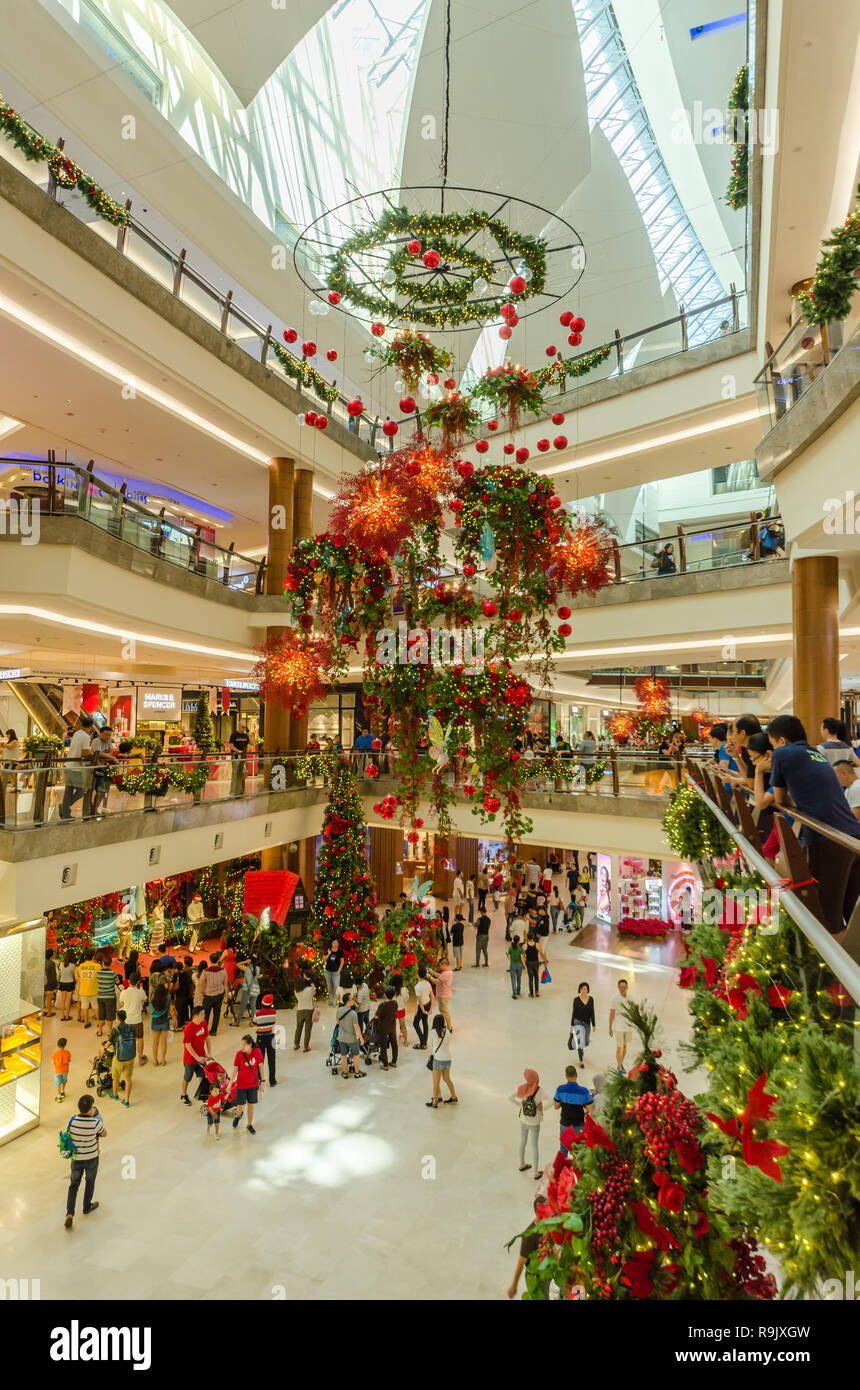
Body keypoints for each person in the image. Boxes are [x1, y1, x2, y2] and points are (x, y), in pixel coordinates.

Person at [768, 714, 860, 935]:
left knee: (826, 915)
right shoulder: (815, 753)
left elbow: (779, 800)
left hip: (829, 839)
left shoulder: (782, 753)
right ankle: (849, 965)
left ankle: (830, 968)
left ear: (780, 740)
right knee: (848, 911)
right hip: (853, 835)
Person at [64, 1094, 106, 1229]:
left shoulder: (72, 1120)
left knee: (73, 1185)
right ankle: (87, 1206)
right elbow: (104, 1133)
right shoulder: (95, 1123)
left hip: (76, 1158)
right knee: (90, 1182)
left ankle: (69, 1214)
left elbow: (68, 1134)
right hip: (91, 1158)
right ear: (89, 1109)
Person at [509, 1068, 548, 1176]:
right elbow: (551, 1100)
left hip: (523, 1120)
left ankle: (522, 1164)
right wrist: (542, 1108)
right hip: (535, 1122)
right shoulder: (540, 1090)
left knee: (522, 1141)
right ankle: (535, 1172)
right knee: (534, 1146)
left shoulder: (522, 1088)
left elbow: (510, 1097)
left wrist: (520, 1105)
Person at [59, 713, 94, 819]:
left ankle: (65, 813)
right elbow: (84, 753)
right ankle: (64, 807)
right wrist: (92, 753)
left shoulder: (77, 733)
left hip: (68, 765)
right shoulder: (86, 736)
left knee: (68, 790)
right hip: (76, 768)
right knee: (80, 791)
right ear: (90, 727)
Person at [553, 1064, 593, 1154]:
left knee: (563, 1149)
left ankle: (564, 1167)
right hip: (579, 1124)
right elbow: (590, 1108)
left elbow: (556, 1106)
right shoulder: (584, 1091)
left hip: (565, 1124)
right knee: (579, 1151)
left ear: (566, 1076)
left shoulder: (560, 1089)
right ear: (576, 1075)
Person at [507, 1198, 543, 1299]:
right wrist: (514, 1286)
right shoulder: (530, 1236)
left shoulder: (545, 1224)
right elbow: (521, 1262)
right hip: (535, 1278)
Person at [231, 1034, 265, 1132]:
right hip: (241, 1085)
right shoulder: (239, 1054)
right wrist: (230, 1083)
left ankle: (249, 1124)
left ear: (250, 1045)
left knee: (251, 1105)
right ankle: (237, 1116)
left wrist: (262, 1080)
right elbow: (235, 1069)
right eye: (241, 1045)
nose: (242, 1047)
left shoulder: (257, 1051)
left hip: (253, 1085)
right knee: (241, 1105)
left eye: (244, 1045)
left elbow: (260, 1066)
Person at [426, 1013, 457, 1108]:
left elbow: (429, 1044)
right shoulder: (447, 1032)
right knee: (447, 1079)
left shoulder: (432, 1032)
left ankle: (435, 1101)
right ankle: (453, 1097)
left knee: (436, 1082)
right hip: (448, 1059)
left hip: (438, 1060)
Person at [180, 1005, 210, 1104]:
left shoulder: (204, 1023)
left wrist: (209, 1052)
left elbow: (207, 1038)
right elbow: (187, 1045)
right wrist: (197, 1058)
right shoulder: (188, 1028)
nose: (204, 1016)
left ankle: (201, 1093)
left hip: (201, 1057)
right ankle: (184, 1094)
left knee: (202, 1076)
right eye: (202, 1014)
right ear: (195, 1016)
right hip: (190, 1060)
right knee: (187, 1078)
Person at [108, 1009, 137, 1106]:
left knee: (115, 1078)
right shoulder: (131, 1028)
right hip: (130, 1057)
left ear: (117, 1018)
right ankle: (127, 1100)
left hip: (119, 1058)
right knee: (128, 1078)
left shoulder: (115, 1030)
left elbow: (108, 1043)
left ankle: (115, 1095)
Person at [118, 972, 148, 1065]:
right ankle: (140, 1059)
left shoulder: (124, 992)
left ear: (129, 981)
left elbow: (122, 1004)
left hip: (126, 1020)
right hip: (137, 1020)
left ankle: (127, 1060)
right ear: (138, 982)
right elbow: (144, 1001)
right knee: (139, 1039)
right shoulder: (141, 992)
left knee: (127, 1040)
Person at [336, 988, 366, 1078]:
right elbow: (356, 1027)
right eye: (352, 999)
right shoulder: (353, 1013)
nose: (353, 1000)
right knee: (356, 1055)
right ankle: (357, 1073)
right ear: (348, 1002)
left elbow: (337, 1023)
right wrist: (361, 1038)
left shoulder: (339, 1010)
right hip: (351, 1039)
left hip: (341, 1038)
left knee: (343, 1055)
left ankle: (345, 1073)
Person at [608, 979, 634, 1073]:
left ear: (627, 987)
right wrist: (610, 1027)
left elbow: (633, 1011)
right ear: (618, 987)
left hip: (628, 1026)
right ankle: (619, 1067)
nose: (622, 988)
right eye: (621, 987)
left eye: (624, 987)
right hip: (619, 1025)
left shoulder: (631, 997)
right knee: (619, 1047)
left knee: (625, 1046)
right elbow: (612, 1013)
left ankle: (621, 1063)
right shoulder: (614, 998)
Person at [200, 952, 228, 1035]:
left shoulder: (205, 971)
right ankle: (213, 1031)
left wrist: (203, 992)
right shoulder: (223, 970)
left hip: (208, 995)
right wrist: (226, 996)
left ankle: (204, 1031)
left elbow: (201, 983)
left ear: (210, 960)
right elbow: (225, 984)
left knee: (206, 1014)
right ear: (218, 960)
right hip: (219, 995)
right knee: (217, 1013)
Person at [254, 993, 278, 1086]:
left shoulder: (257, 1014)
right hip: (271, 1037)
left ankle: (259, 1079)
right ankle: (272, 1080)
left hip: (260, 1038)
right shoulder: (274, 1012)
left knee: (260, 1060)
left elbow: (254, 1022)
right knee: (272, 1059)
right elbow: (273, 1021)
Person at [149, 971, 171, 1065]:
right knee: (164, 1042)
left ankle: (155, 1060)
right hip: (165, 1021)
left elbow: (150, 1010)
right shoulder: (168, 997)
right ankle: (162, 1060)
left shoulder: (152, 998)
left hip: (155, 1022)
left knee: (155, 1043)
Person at [571, 981, 596, 1064]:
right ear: (580, 990)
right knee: (580, 1042)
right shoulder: (576, 1000)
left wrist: (594, 1024)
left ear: (587, 990)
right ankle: (581, 1060)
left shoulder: (591, 999)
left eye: (585, 989)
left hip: (587, 1023)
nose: (583, 990)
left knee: (585, 1041)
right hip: (578, 1022)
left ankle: (582, 1049)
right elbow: (574, 1012)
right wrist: (572, 1024)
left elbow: (592, 1012)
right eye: (582, 989)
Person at [232, 955, 261, 1027]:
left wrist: (245, 962)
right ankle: (252, 1022)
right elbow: (255, 977)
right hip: (256, 989)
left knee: (242, 1006)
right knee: (253, 1006)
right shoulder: (258, 968)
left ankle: (237, 1022)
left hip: (248, 990)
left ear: (250, 960)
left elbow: (237, 964)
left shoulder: (246, 969)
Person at [95, 951, 119, 1038]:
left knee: (101, 1014)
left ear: (102, 963)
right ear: (111, 964)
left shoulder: (98, 973)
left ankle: (100, 1031)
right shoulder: (112, 973)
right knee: (109, 1015)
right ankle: (109, 1031)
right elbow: (117, 981)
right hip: (110, 997)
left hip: (100, 997)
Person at [375, 985, 399, 1069]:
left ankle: (385, 1065)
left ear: (385, 994)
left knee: (383, 1045)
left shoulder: (383, 1005)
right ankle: (394, 1061)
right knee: (394, 1043)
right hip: (392, 1026)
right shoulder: (395, 1003)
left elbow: (376, 1016)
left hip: (383, 1028)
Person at [428, 957, 453, 1031]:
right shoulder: (447, 971)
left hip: (444, 996)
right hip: (443, 995)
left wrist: (429, 977)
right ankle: (444, 1025)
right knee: (442, 1011)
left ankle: (449, 1028)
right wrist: (432, 972)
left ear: (444, 964)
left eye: (440, 965)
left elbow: (436, 981)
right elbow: (440, 976)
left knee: (445, 1012)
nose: (440, 967)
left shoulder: (446, 973)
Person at [76, 948, 99, 1029]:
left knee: (84, 1007)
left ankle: (86, 1022)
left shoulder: (81, 966)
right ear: (93, 956)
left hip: (83, 990)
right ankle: (99, 1023)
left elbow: (79, 977)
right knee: (95, 1007)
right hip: (94, 990)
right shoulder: (97, 966)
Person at [294, 973, 316, 1052]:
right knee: (307, 1029)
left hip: (299, 1010)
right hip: (309, 1011)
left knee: (298, 1028)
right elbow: (314, 991)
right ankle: (305, 1047)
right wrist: (309, 980)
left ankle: (296, 1044)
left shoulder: (296, 991)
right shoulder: (309, 989)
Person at [412, 964, 432, 1049]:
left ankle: (422, 1043)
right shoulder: (428, 983)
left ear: (417, 974)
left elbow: (420, 1000)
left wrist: (422, 1009)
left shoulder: (417, 986)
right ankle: (424, 1043)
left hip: (422, 1006)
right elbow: (432, 997)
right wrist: (430, 1009)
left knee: (415, 1023)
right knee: (424, 1022)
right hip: (428, 1004)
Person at [57, 951, 76, 1021]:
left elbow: (60, 972)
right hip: (70, 983)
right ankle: (67, 1016)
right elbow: (74, 976)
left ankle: (62, 1015)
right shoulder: (73, 965)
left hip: (62, 982)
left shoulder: (61, 964)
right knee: (68, 1001)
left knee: (62, 1000)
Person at [391, 971, 409, 1046]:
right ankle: (405, 1042)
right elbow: (406, 999)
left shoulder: (391, 989)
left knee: (393, 1026)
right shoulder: (404, 990)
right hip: (401, 1010)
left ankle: (394, 1042)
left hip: (393, 1010)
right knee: (403, 1026)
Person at [324, 939, 343, 1007]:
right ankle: (331, 1000)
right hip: (328, 972)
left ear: (338, 944)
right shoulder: (329, 950)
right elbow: (324, 959)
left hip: (336, 973)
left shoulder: (340, 952)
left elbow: (342, 960)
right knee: (329, 987)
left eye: (336, 943)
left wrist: (340, 969)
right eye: (334, 943)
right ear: (332, 944)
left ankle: (335, 1000)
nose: (335, 944)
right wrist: (328, 954)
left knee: (336, 987)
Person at [52, 1036, 71, 1103]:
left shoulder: (55, 1054)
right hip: (65, 1071)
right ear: (65, 1045)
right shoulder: (68, 1053)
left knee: (58, 1084)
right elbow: (69, 1060)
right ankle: (63, 1092)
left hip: (57, 1071)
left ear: (57, 1044)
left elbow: (53, 1062)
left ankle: (59, 1097)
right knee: (64, 1081)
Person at [507, 934, 524, 999]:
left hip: (512, 965)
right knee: (519, 978)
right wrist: (524, 966)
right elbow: (522, 958)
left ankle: (514, 994)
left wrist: (508, 956)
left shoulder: (510, 948)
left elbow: (508, 957)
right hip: (519, 965)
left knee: (513, 979)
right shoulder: (520, 948)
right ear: (519, 941)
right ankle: (518, 991)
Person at [44, 948, 57, 1018]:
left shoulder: (42, 962)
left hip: (42, 982)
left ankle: (44, 1011)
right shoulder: (52, 963)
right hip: (49, 982)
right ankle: (49, 1012)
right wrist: (55, 985)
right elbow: (53, 975)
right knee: (49, 998)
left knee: (44, 998)